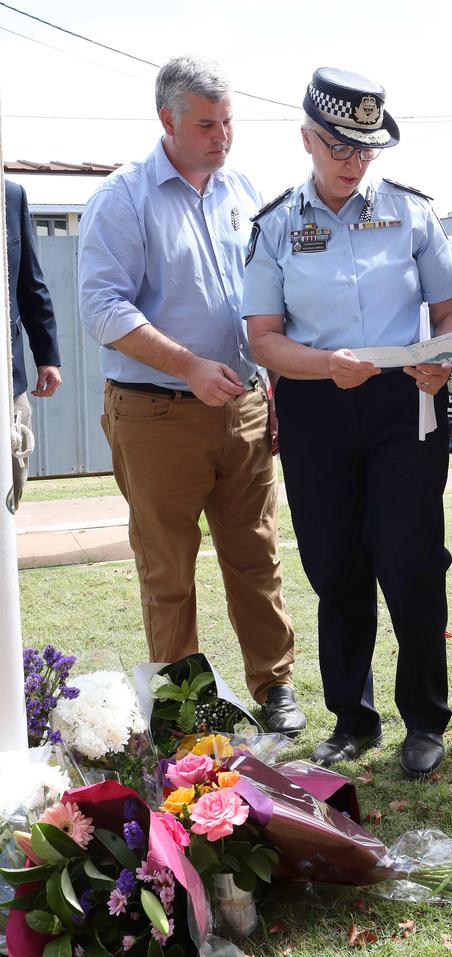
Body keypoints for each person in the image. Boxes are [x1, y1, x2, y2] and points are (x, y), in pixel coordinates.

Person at [243, 68, 452, 777]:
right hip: (316, 407)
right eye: (340, 147)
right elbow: (263, 338)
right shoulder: (276, 225)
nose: (354, 161)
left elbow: (449, 314)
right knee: (336, 567)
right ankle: (352, 717)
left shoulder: (412, 213)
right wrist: (321, 363)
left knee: (411, 563)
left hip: (405, 406)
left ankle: (425, 720)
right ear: (307, 138)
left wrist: (441, 361)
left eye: (366, 148)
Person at [78, 54, 305, 736]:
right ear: (166, 120)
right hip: (157, 415)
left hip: (243, 408)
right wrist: (188, 365)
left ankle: (275, 688)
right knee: (168, 570)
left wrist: (273, 385)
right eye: (207, 123)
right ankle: (185, 709)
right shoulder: (123, 199)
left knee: (255, 556)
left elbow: (269, 296)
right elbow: (101, 308)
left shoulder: (243, 191)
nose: (222, 135)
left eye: (229, 121)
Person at [5, 179, 62, 508]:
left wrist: (47, 358)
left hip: (10, 383)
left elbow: (30, 283)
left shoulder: (11, 195)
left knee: (13, 481)